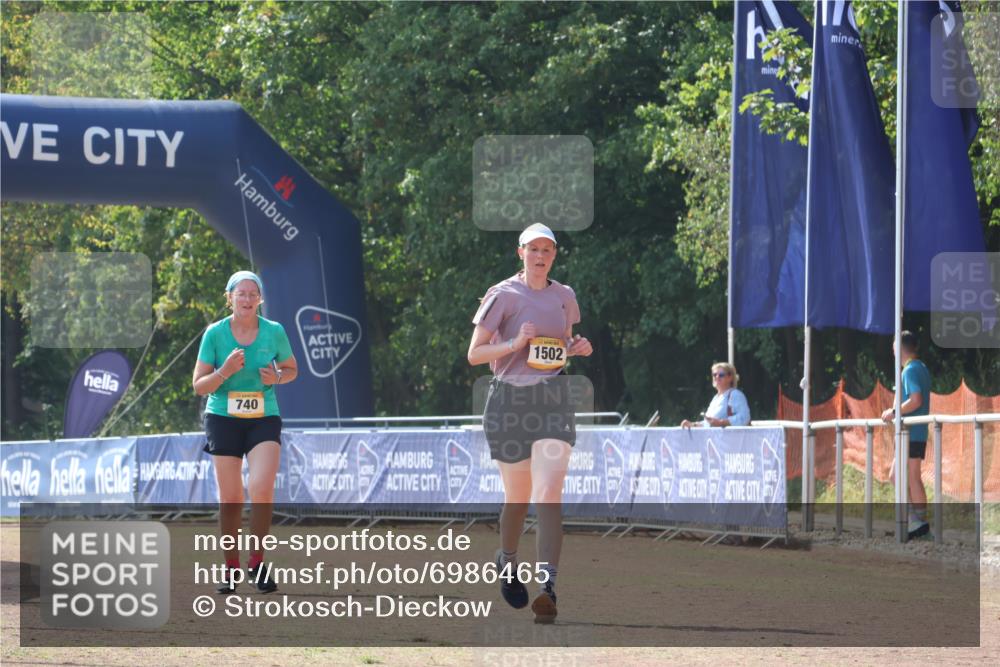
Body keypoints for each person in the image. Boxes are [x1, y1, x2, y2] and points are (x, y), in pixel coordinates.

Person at [467, 223, 592, 624]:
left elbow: (562, 344)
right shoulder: (501, 294)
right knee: (518, 498)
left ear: (554, 254)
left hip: (553, 397)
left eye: (548, 249)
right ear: (520, 252)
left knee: (549, 491)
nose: (541, 255)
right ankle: (507, 560)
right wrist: (514, 344)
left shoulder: (565, 296)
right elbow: (475, 354)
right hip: (508, 400)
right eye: (534, 249)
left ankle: (547, 587)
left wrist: (577, 347)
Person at [192, 270, 298, 594]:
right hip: (223, 417)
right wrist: (224, 371)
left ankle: (256, 562)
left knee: (261, 487)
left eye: (253, 294)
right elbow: (199, 385)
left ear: (260, 299)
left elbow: (292, 369)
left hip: (263, 416)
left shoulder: (274, 332)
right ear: (230, 297)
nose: (248, 299)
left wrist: (276, 378)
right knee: (232, 498)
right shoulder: (215, 334)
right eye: (242, 294)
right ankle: (231, 567)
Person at [881, 330, 931, 539]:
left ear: (900, 348)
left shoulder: (909, 371)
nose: (892, 352)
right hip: (917, 431)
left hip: (910, 432)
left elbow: (916, 399)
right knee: (912, 477)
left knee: (897, 476)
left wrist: (893, 412)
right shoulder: (921, 367)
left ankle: (915, 522)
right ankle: (918, 523)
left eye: (893, 348)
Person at [680, 362, 751, 428]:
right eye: (714, 375)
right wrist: (693, 425)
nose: (717, 377)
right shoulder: (716, 398)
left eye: (721, 375)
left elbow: (745, 417)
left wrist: (721, 422)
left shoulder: (735, 395)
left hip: (731, 440)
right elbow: (709, 423)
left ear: (730, 378)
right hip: (716, 440)